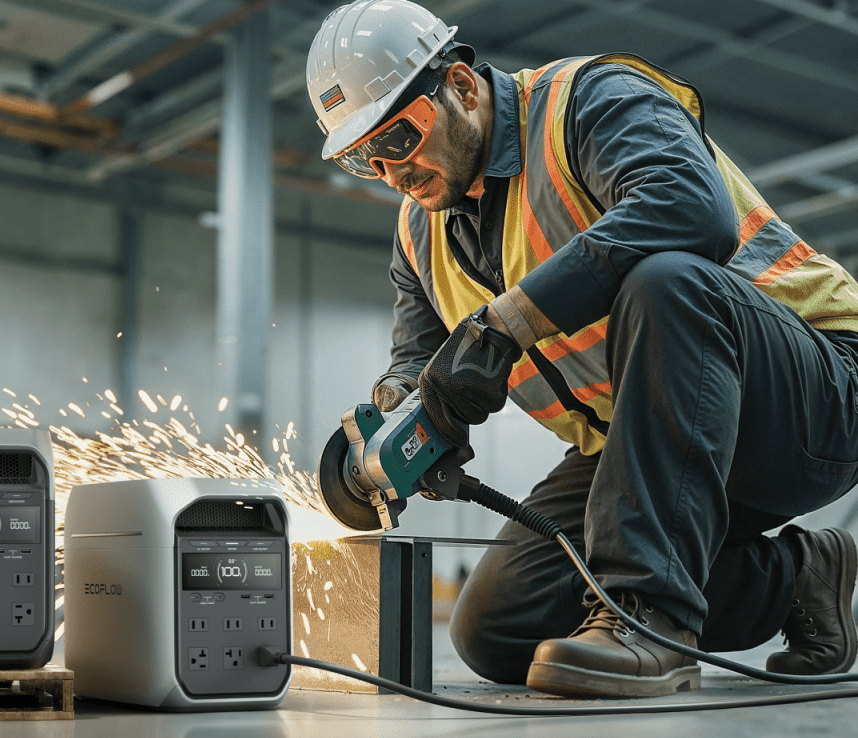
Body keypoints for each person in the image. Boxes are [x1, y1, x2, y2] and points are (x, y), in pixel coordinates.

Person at [306, 0, 858, 698]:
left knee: (667, 278)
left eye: (398, 140)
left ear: (463, 88)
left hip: (815, 397)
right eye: (364, 157)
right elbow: (418, 360)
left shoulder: (588, 101)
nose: (391, 172)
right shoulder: (419, 236)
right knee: (500, 625)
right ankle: (798, 581)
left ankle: (650, 622)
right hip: (652, 441)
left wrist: (504, 325)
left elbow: (692, 212)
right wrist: (399, 415)